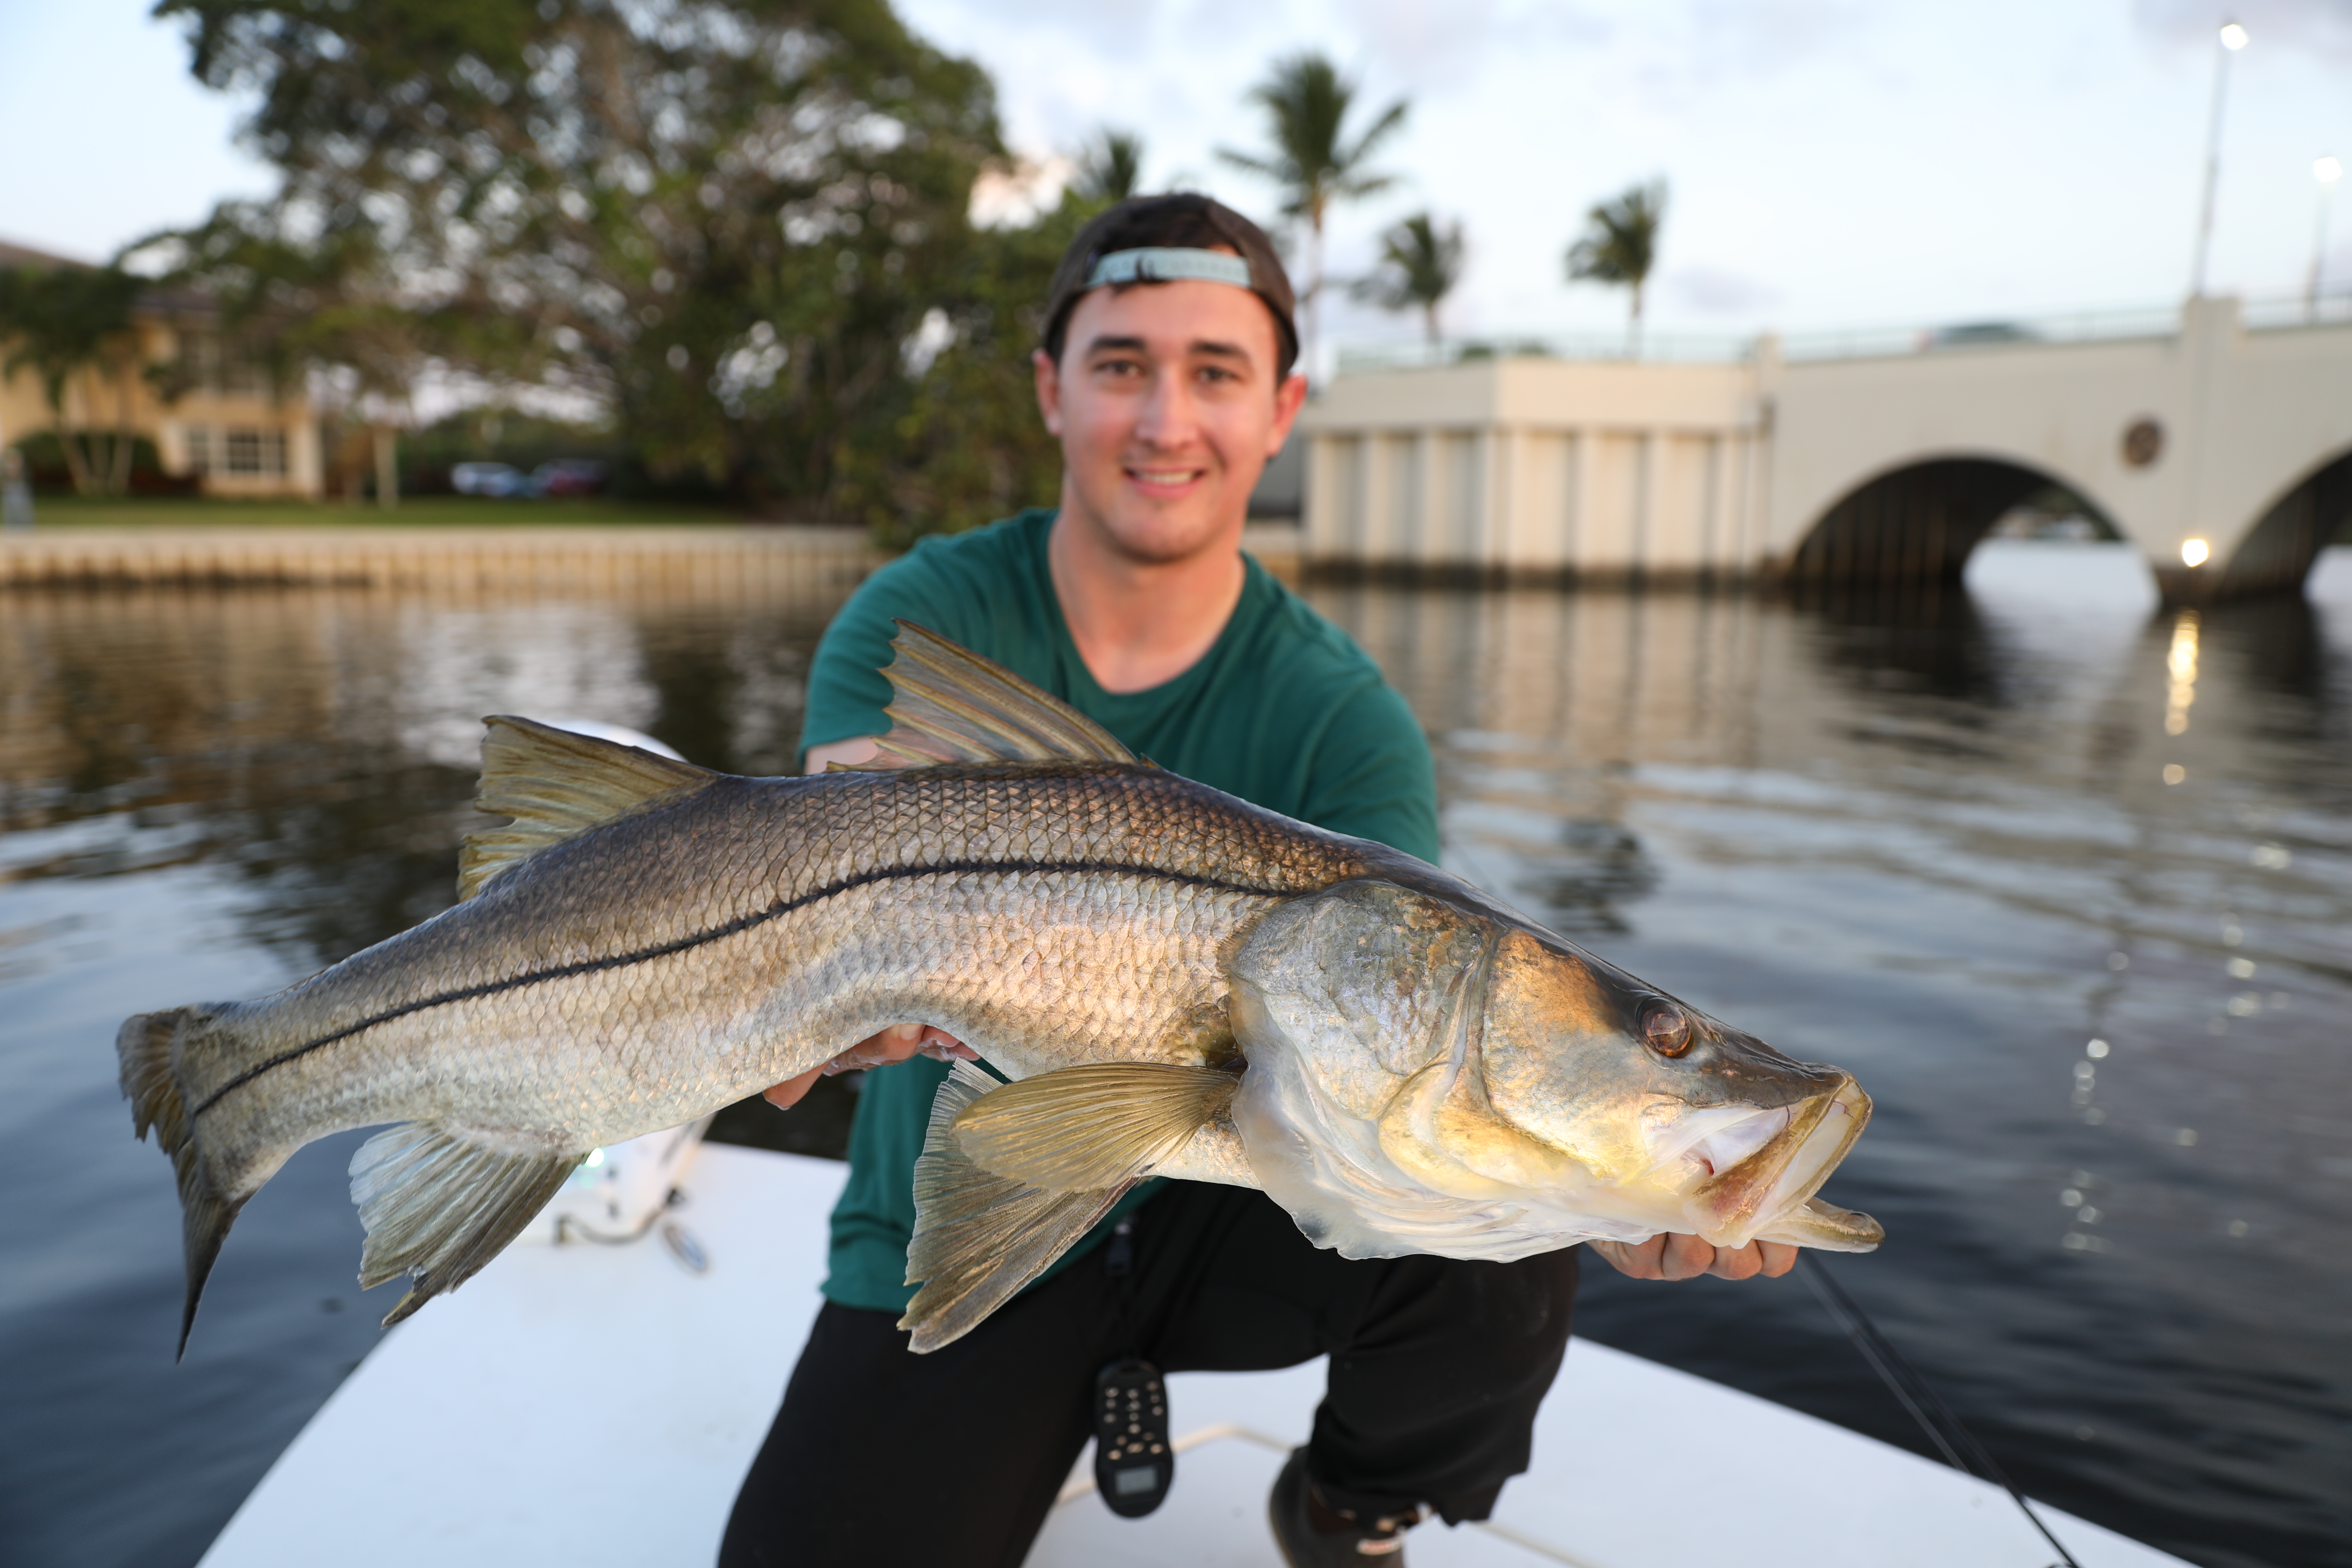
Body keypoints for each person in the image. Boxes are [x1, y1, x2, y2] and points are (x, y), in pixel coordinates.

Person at [716, 194, 1794, 1568]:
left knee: (1506, 1264)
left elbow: (1406, 1079)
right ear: (1054, 390)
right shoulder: (919, 619)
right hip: (975, 1184)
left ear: (1281, 410)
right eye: (1122, 365)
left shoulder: (1346, 721)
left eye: (1215, 372)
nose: (1167, 419)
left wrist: (1602, 1186)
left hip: (1250, 1209)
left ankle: (1347, 1506)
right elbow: (821, 882)